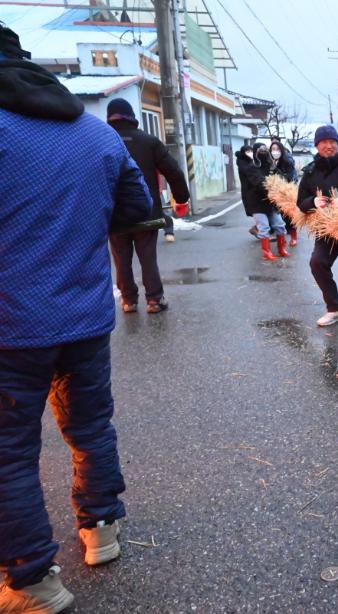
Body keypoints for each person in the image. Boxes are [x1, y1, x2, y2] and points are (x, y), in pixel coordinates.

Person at [0, 23, 150, 613]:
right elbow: (137, 210)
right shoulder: (96, 135)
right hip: (84, 315)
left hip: (10, 325)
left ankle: (31, 580)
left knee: (9, 452)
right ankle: (102, 532)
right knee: (90, 427)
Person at [106, 98, 190, 314]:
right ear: (131, 116)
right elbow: (173, 171)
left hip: (114, 215)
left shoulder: (102, 142)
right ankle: (154, 299)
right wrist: (181, 197)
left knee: (121, 259)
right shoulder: (149, 141)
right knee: (147, 257)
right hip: (146, 212)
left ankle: (128, 301)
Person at [296, 125, 338, 327]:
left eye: (332, 141)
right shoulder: (310, 170)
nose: (329, 145)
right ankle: (336, 308)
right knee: (317, 263)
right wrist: (312, 203)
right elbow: (301, 201)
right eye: (324, 142)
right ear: (317, 145)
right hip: (326, 229)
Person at [238, 143, 289, 260]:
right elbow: (258, 182)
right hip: (256, 203)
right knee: (264, 227)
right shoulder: (250, 167)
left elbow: (280, 176)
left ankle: (281, 249)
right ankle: (266, 252)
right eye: (260, 150)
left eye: (265, 150)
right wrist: (270, 186)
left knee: (280, 225)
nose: (263, 152)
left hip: (270, 202)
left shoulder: (269, 165)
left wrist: (282, 183)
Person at [268, 140, 300, 246]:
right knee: (277, 217)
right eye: (273, 149)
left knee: (289, 216)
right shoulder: (269, 162)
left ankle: (293, 237)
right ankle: (281, 238)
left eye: (277, 149)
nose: (275, 152)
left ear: (281, 150)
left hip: (286, 193)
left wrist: (284, 184)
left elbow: (293, 177)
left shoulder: (287, 161)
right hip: (274, 194)